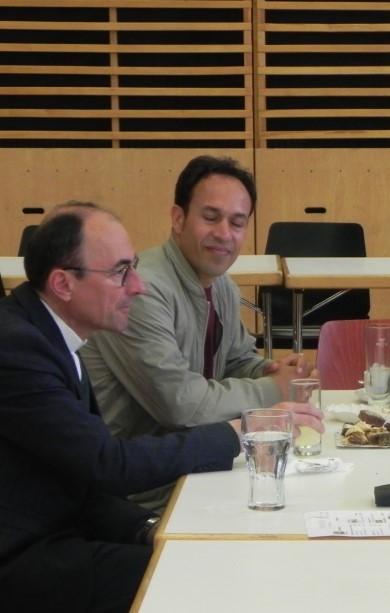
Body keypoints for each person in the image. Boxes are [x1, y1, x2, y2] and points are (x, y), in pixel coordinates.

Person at [0, 202, 323, 613]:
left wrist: (149, 528)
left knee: (207, 554)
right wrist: (241, 432)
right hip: (22, 564)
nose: (137, 286)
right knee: (212, 578)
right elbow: (108, 465)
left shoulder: (43, 333)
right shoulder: (17, 348)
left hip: (57, 535)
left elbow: (79, 476)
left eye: (133, 268)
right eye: (120, 272)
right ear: (63, 283)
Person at [81, 155, 313, 443]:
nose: (224, 234)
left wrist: (271, 370)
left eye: (237, 223)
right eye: (210, 218)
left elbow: (234, 362)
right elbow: (182, 406)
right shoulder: (142, 291)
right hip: (132, 462)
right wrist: (274, 388)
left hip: (187, 450)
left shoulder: (222, 285)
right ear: (178, 219)